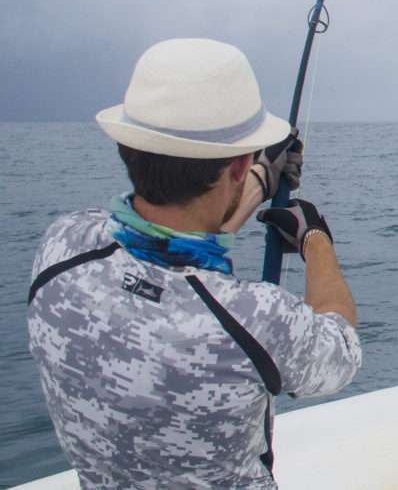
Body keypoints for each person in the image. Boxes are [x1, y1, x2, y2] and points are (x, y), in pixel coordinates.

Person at [26, 38, 361, 489]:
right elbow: (340, 347)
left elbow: (166, 240)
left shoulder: (62, 248)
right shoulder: (259, 321)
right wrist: (314, 236)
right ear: (236, 167)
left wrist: (259, 178)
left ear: (129, 147)